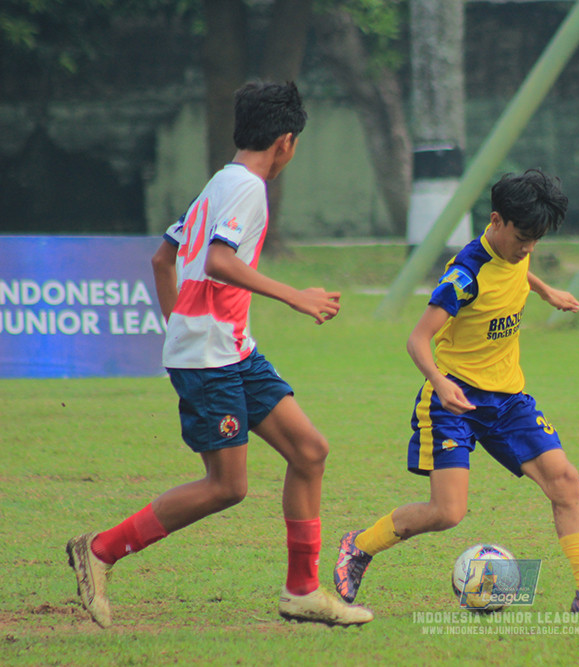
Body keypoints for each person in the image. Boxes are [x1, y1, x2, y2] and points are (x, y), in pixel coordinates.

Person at [66, 80, 372, 628]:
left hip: (229, 351)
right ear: (285, 142)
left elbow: (164, 260)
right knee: (227, 486)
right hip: (210, 359)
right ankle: (101, 550)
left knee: (309, 451)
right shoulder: (249, 189)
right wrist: (296, 296)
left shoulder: (218, 183)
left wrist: (179, 331)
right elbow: (217, 262)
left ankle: (302, 591)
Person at [332, 169, 579, 614]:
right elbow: (417, 339)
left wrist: (545, 290)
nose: (529, 249)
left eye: (537, 240)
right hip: (453, 400)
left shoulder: (515, 252)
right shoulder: (464, 275)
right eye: (524, 237)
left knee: (566, 482)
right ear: (496, 221)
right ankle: (358, 546)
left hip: (508, 400)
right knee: (447, 513)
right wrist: (440, 383)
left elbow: (515, 272)